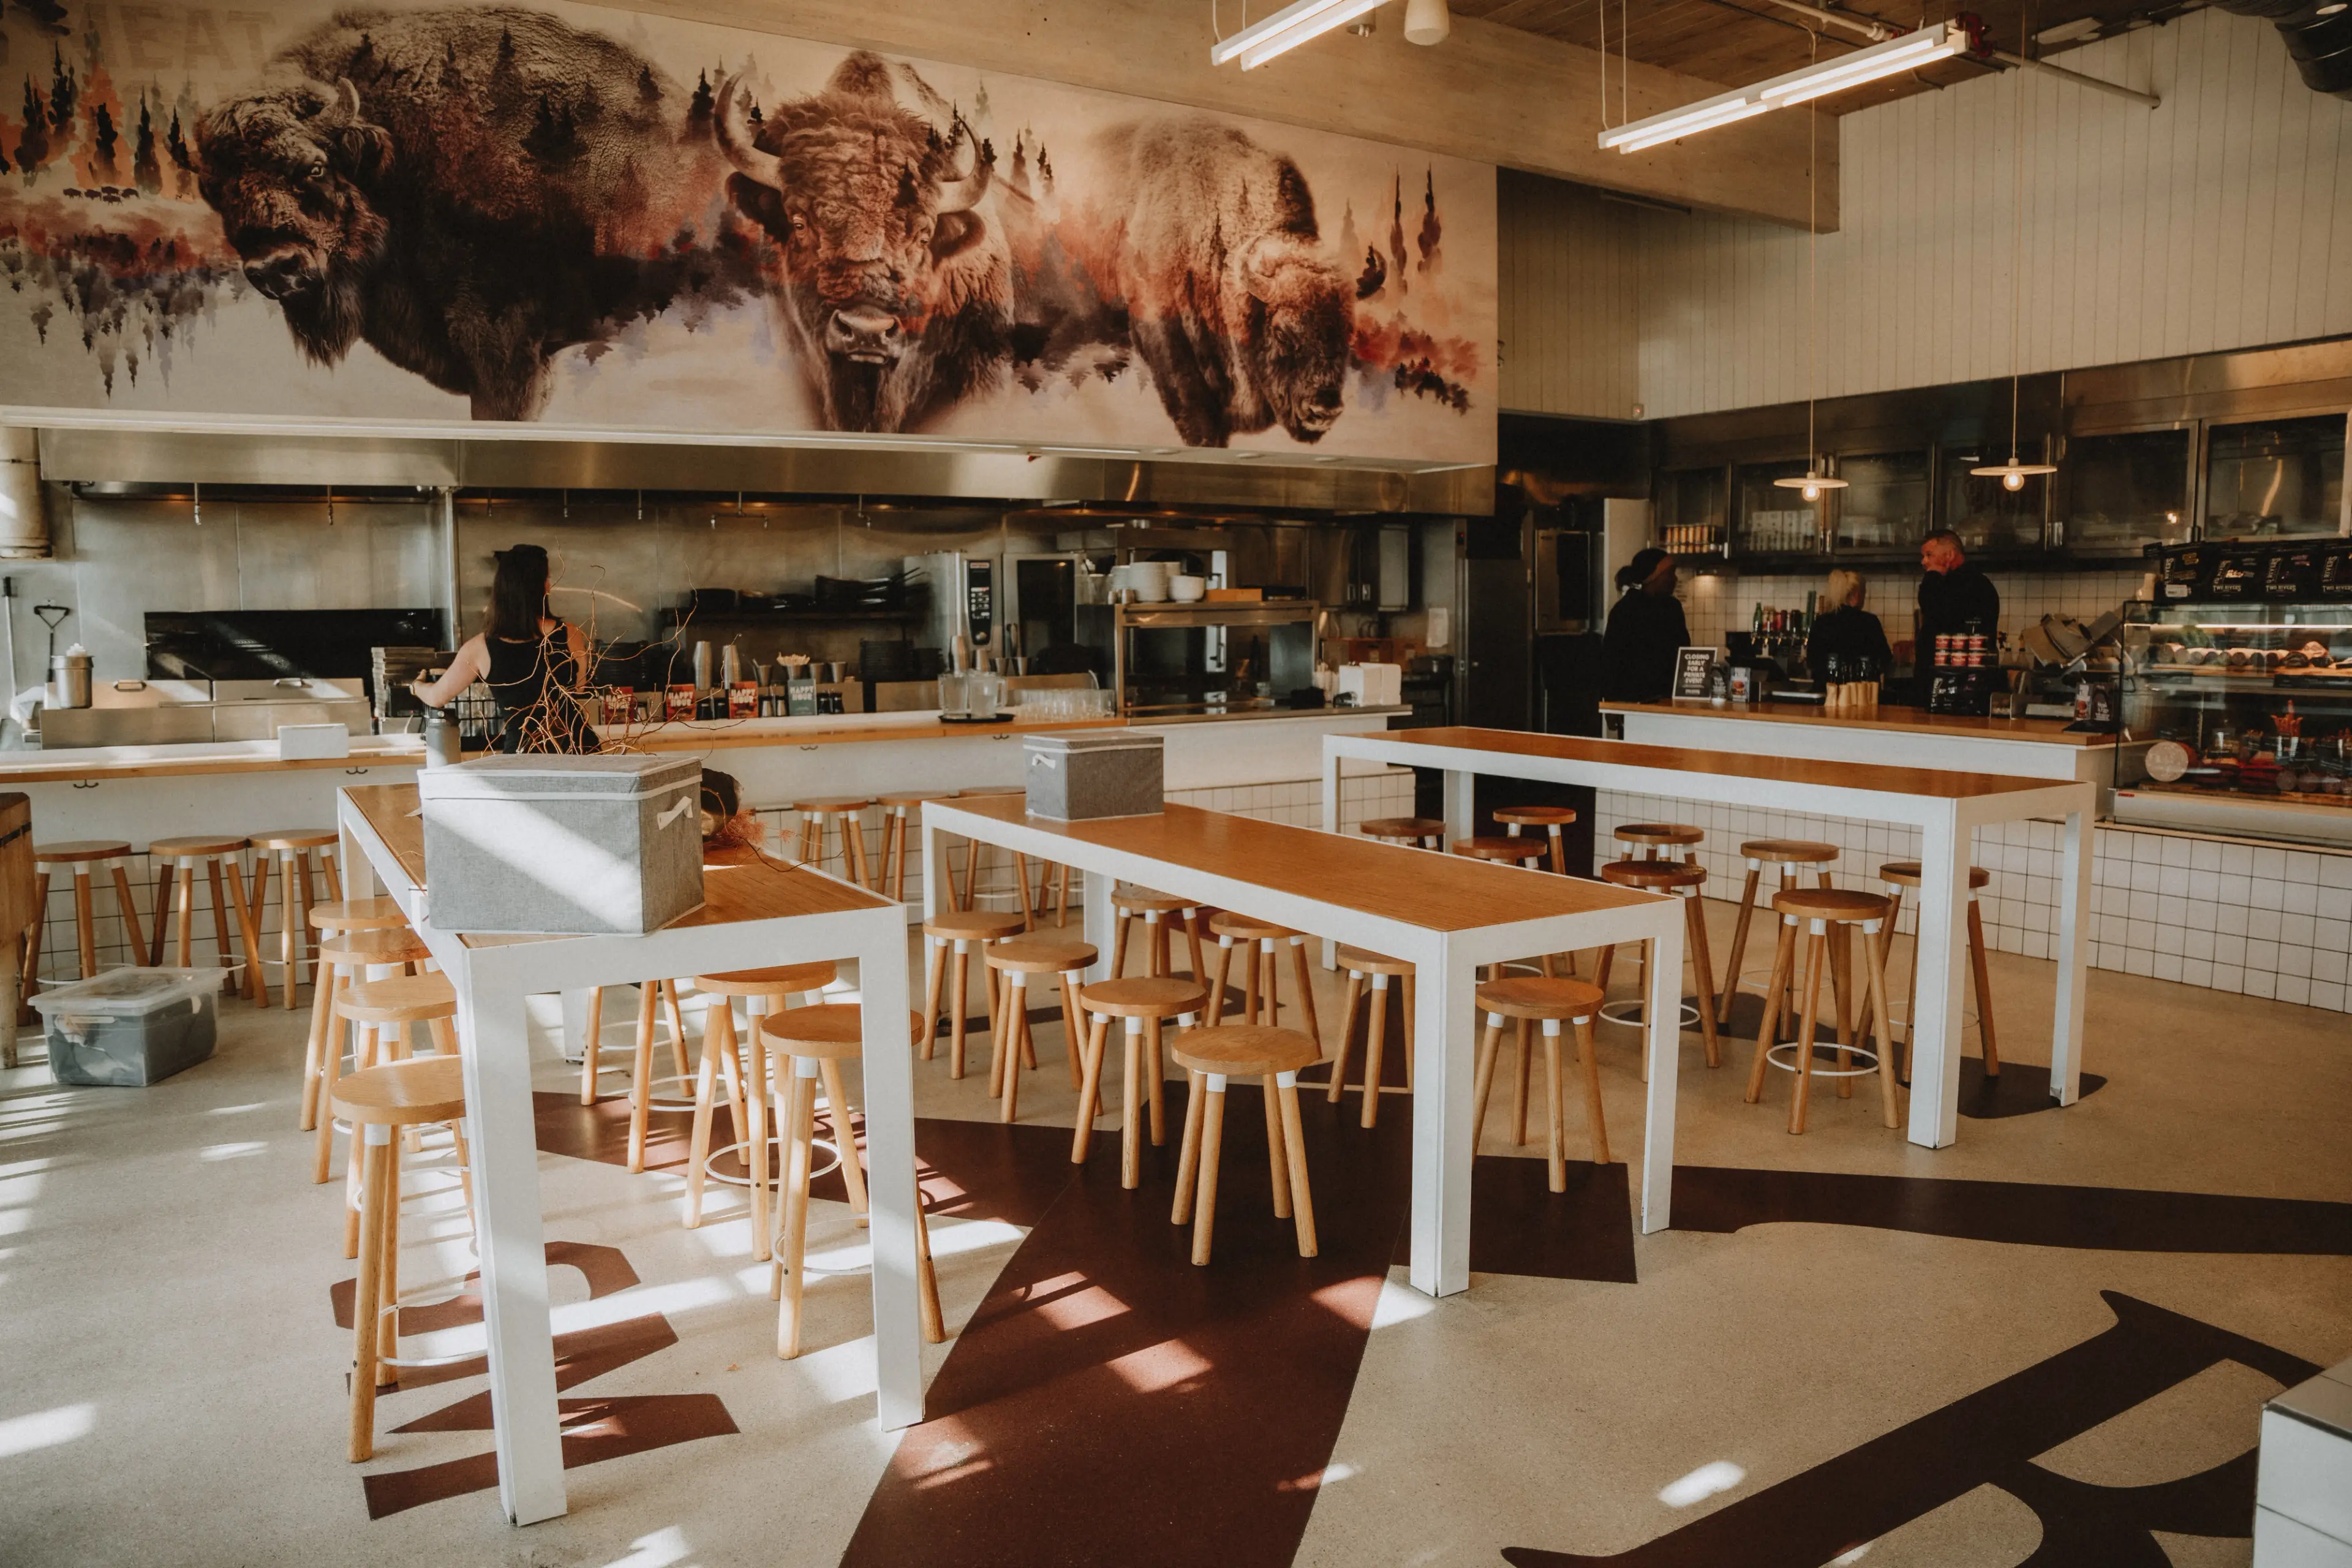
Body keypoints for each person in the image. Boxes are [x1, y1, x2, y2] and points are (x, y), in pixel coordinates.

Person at [412, 543, 599, 753]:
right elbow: (580, 687)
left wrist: (417, 686)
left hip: (524, 756)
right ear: (540, 588)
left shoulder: (479, 648)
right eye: (546, 579)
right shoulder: (570, 634)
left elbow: (437, 697)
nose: (550, 585)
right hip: (579, 750)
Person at [1601, 546, 1691, 703]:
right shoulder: (1625, 610)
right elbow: (1611, 659)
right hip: (1634, 700)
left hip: (1665, 699)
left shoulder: (1672, 607)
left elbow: (1683, 653)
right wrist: (1611, 701)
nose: (1675, 579)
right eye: (1670, 573)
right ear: (1654, 576)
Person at [1916, 529, 2000, 679]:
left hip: (1953, 677)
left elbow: (1933, 610)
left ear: (1950, 555)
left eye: (1929, 555)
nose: (1924, 562)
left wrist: (1932, 576)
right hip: (1965, 675)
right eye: (1923, 556)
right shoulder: (1979, 581)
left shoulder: (1963, 584)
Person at [1806, 568, 1892, 682]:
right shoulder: (1870, 622)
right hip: (1861, 693)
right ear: (1857, 595)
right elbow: (1885, 660)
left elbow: (1812, 662)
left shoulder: (1821, 622)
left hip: (1827, 693)